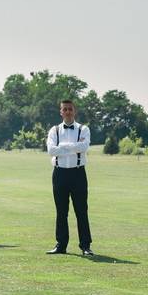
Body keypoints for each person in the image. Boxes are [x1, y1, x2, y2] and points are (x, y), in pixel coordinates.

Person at [46, 99, 94, 256]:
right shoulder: (54, 130)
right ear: (60, 112)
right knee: (61, 211)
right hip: (59, 173)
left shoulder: (83, 129)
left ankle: (85, 246)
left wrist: (63, 147)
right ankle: (61, 245)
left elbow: (84, 147)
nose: (67, 112)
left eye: (70, 109)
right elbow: (51, 151)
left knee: (81, 211)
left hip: (78, 173)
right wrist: (74, 147)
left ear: (75, 111)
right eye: (64, 109)